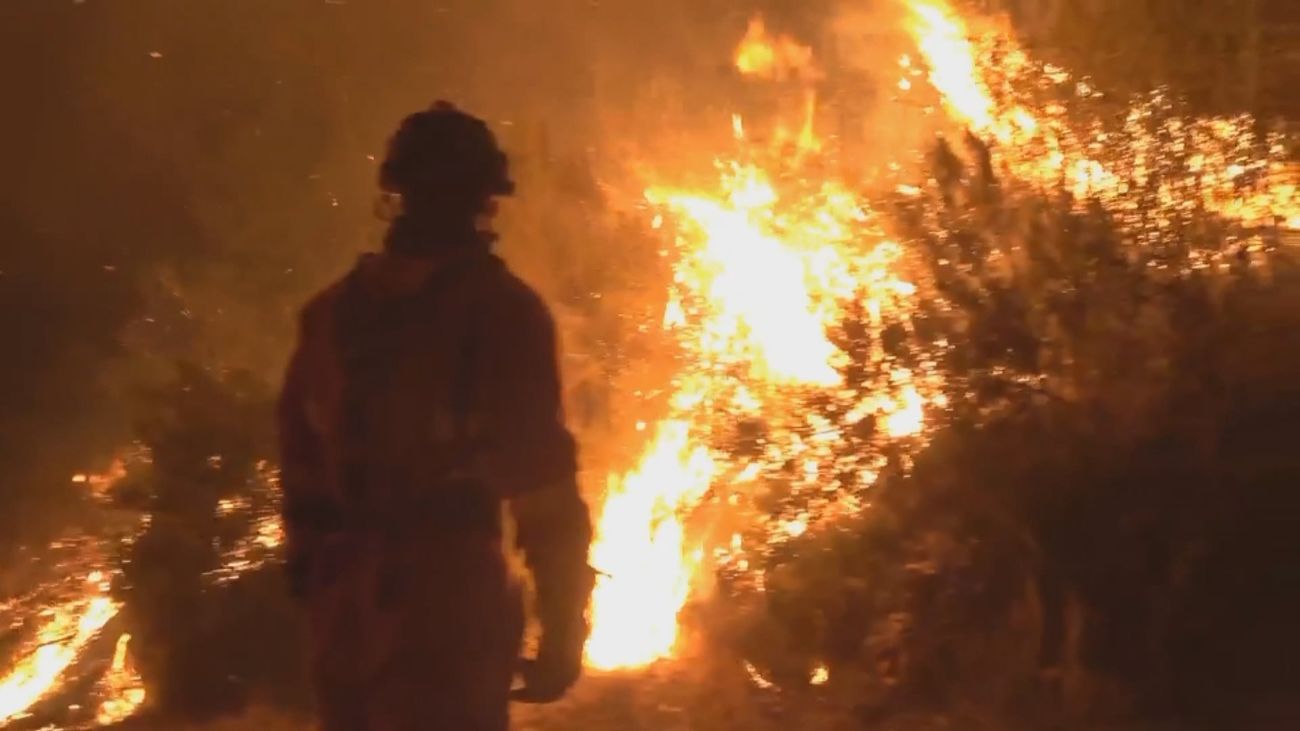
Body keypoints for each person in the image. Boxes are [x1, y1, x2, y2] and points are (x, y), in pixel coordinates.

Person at [277, 101, 593, 730]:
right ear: (485, 200)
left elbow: (301, 470)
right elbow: (542, 485)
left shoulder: (330, 315)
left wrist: (323, 582)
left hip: (347, 603)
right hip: (450, 598)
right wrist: (564, 624)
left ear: (395, 193)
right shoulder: (501, 312)